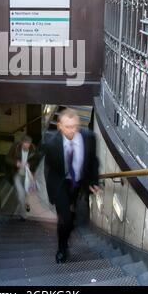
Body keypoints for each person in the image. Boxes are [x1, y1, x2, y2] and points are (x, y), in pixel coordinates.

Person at [42, 108, 100, 263]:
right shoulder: (51, 143)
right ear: (60, 126)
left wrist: (93, 181)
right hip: (61, 182)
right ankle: (62, 248)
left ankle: (70, 221)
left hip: (78, 183)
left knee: (73, 210)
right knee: (65, 219)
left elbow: (93, 161)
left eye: (74, 126)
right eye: (67, 127)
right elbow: (49, 169)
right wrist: (52, 193)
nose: (71, 130)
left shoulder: (89, 138)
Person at [5, 135, 39, 220]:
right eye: (25, 144)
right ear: (21, 143)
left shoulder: (34, 149)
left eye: (29, 144)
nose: (27, 146)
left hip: (28, 175)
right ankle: (23, 215)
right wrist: (16, 163)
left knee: (27, 193)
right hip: (17, 174)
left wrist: (30, 165)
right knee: (21, 194)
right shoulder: (15, 147)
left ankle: (25, 204)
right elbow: (7, 159)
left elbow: (37, 160)